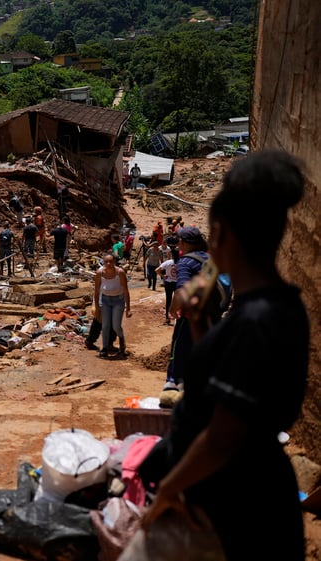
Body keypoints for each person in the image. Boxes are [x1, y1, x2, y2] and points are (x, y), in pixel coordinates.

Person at [139, 149, 308, 561]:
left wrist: (167, 491)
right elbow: (221, 378)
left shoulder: (258, 321)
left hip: (233, 508)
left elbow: (223, 437)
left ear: (224, 237)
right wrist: (199, 322)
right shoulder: (270, 309)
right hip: (237, 495)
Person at [164, 226, 209, 391]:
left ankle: (174, 388)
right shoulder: (210, 260)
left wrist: (172, 308)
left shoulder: (185, 261)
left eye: (179, 240)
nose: (178, 243)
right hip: (212, 318)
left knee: (178, 355)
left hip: (189, 318)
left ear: (183, 242)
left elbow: (181, 290)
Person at [93, 253, 131, 358]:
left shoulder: (120, 273)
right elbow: (96, 292)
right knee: (105, 325)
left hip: (118, 301)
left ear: (114, 262)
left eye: (111, 261)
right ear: (103, 262)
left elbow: (126, 291)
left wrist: (128, 308)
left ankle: (122, 341)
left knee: (116, 325)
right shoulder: (100, 273)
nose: (108, 264)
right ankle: (105, 347)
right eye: (106, 262)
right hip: (105, 301)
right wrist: (97, 307)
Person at [157, 248, 179, 324]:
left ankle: (167, 318)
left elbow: (157, 270)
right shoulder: (181, 262)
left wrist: (163, 276)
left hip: (168, 283)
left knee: (168, 300)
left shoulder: (168, 262)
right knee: (178, 300)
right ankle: (178, 317)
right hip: (177, 283)